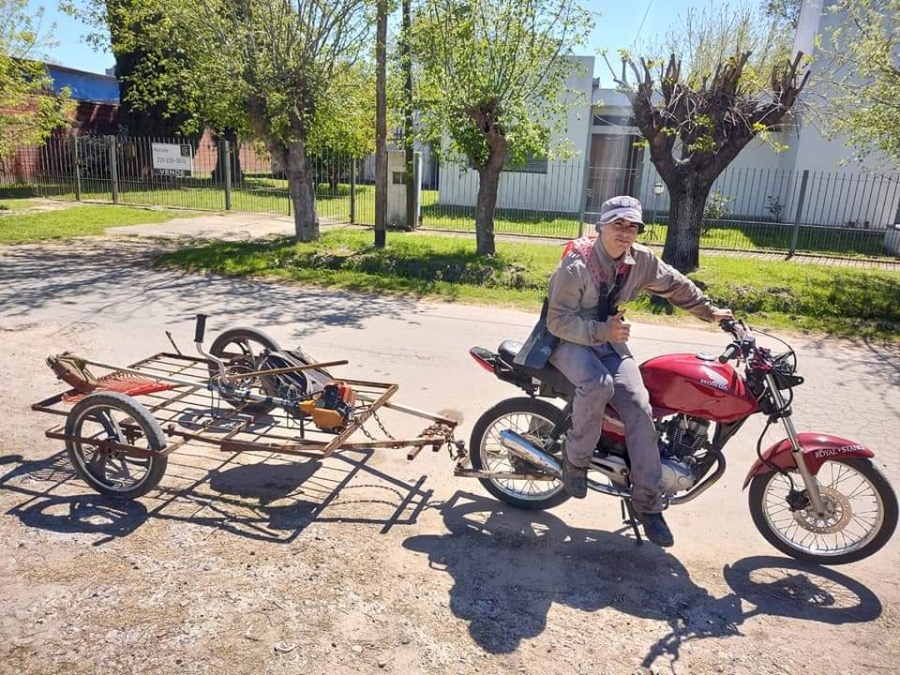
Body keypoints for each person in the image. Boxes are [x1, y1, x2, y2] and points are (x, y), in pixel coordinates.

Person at [545, 195, 733, 547]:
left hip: (607, 339)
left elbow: (676, 284)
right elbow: (557, 320)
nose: (626, 233)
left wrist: (709, 312)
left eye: (633, 226)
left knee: (640, 405)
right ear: (601, 225)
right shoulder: (577, 264)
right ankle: (575, 461)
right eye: (618, 224)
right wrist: (603, 332)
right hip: (566, 340)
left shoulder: (640, 260)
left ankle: (647, 504)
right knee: (598, 385)